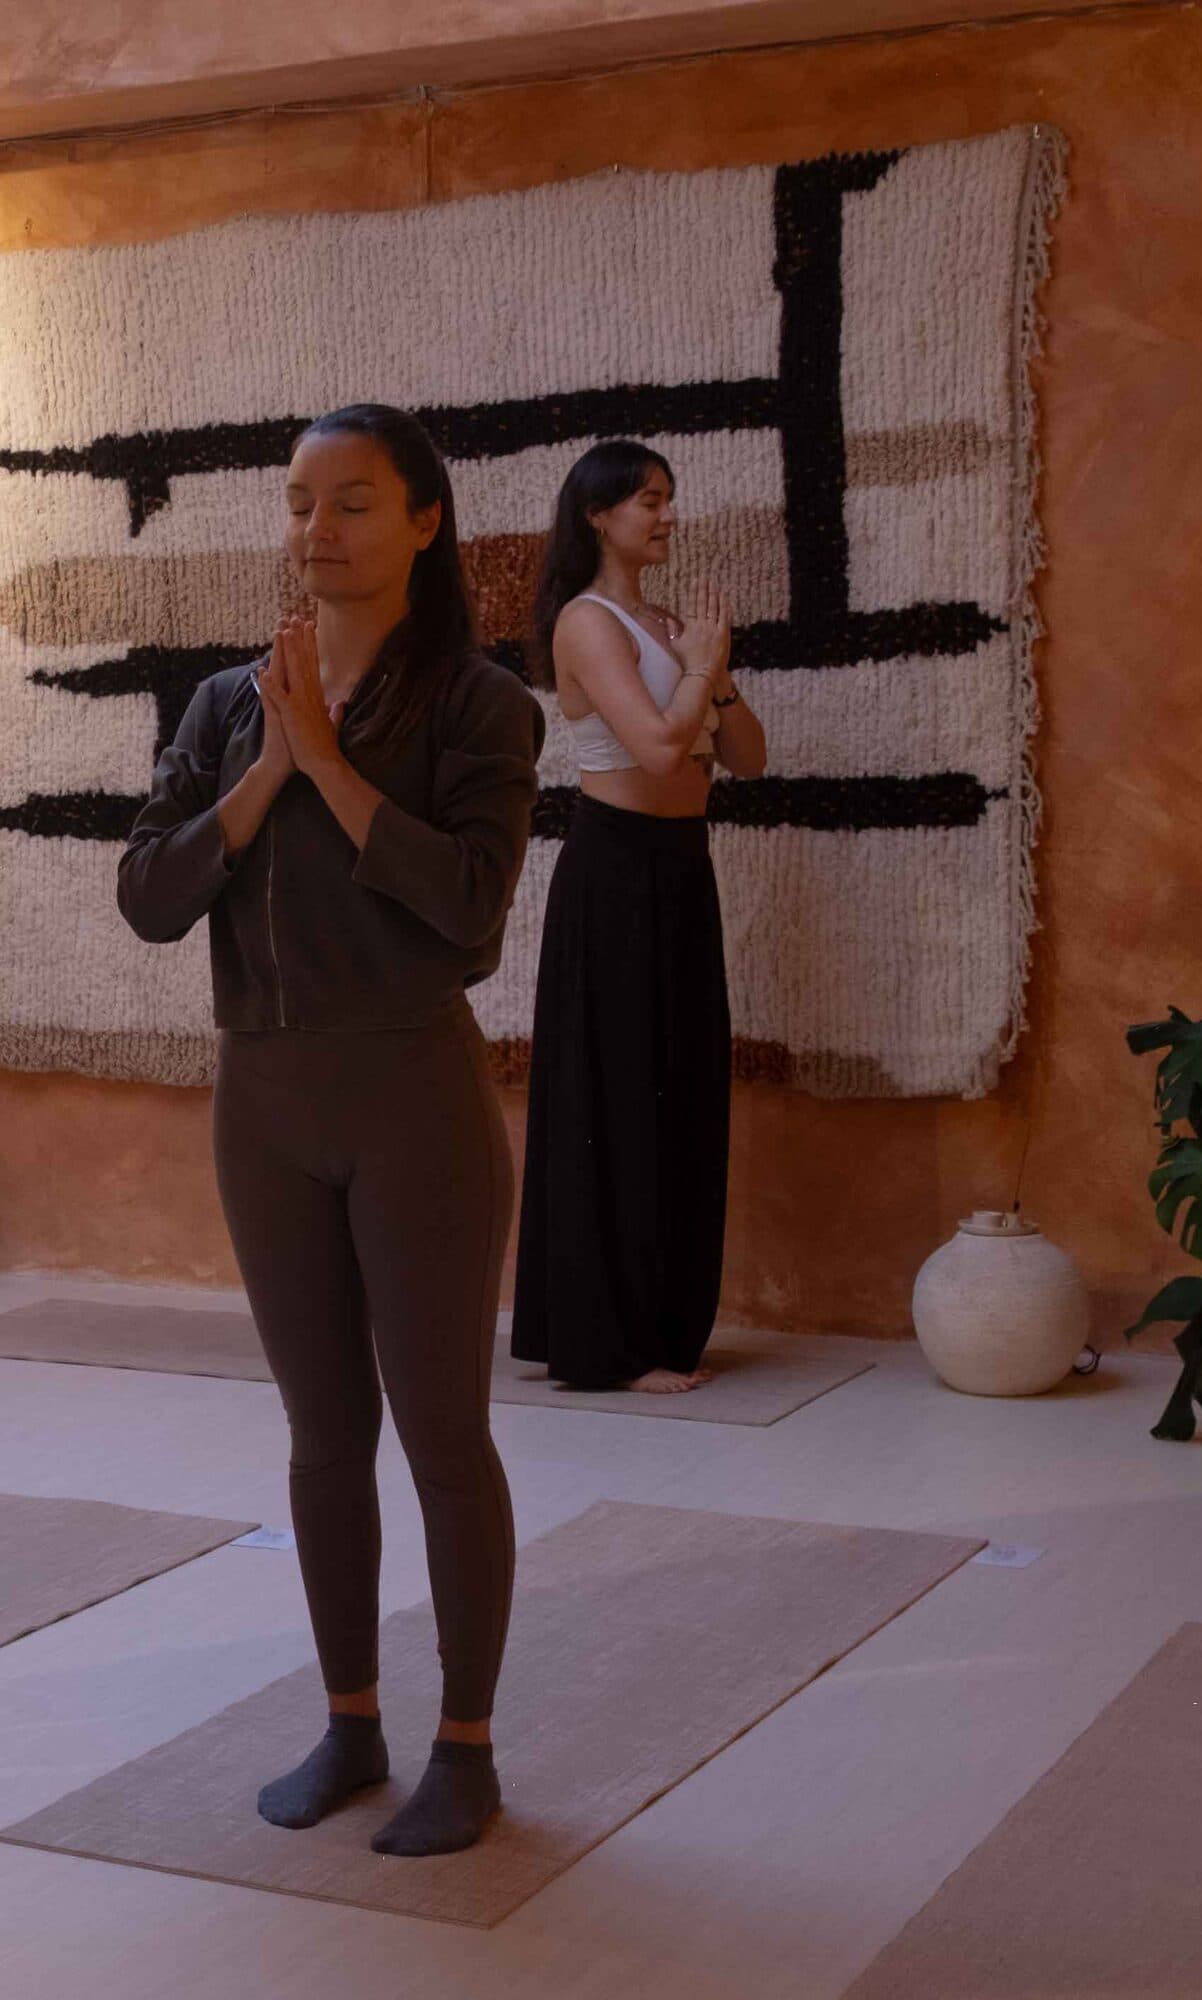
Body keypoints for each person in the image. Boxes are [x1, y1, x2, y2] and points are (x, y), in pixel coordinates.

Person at [117, 403, 544, 1857]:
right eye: (301, 501)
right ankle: (349, 1723)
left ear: (425, 521)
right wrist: (268, 769)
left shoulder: (481, 703)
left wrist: (334, 765)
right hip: (264, 1105)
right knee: (322, 1435)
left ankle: (466, 1747)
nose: (319, 529)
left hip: (412, 1100)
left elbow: (470, 911)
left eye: (354, 502)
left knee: (441, 1434)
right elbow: (150, 896)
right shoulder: (224, 704)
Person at [510, 439, 766, 1394]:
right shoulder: (589, 622)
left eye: (668, 499)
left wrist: (715, 673)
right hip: (614, 871)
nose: (666, 516)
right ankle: (605, 1344)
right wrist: (697, 670)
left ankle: (663, 1327)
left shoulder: (669, 627)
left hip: (681, 868)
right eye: (647, 501)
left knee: (680, 1090)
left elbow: (747, 758)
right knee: (615, 1099)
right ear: (596, 514)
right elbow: (659, 749)